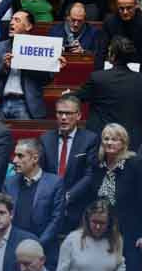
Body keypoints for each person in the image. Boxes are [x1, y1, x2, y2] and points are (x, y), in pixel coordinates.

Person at [85, 123, 142, 271]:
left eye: (115, 139)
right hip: (101, 233)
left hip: (129, 233)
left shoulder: (134, 164)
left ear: (124, 143)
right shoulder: (98, 165)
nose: (110, 143)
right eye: (106, 139)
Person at [70, 36, 142, 148]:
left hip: (103, 142)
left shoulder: (98, 78)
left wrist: (67, 94)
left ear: (112, 56)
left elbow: (76, 98)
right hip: (131, 142)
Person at [38, 95, 99, 233]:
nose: (63, 117)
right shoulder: (45, 139)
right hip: (49, 205)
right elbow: (41, 172)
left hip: (78, 205)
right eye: (60, 113)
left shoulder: (90, 139)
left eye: (68, 113)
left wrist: (67, 196)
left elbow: (89, 175)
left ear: (78, 115)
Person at [4, 139, 64, 264]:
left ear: (35, 159)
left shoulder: (54, 183)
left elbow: (56, 219)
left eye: (20, 156)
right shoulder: (9, 183)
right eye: (15, 155)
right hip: (14, 250)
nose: (15, 160)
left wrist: (37, 245)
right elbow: (5, 216)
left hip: (44, 251)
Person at [101, 0, 142, 64]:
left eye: (129, 8)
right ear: (116, 7)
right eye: (121, 8)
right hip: (116, 64)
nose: (125, 12)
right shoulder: (110, 20)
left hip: (139, 63)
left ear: (136, 6)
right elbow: (101, 49)